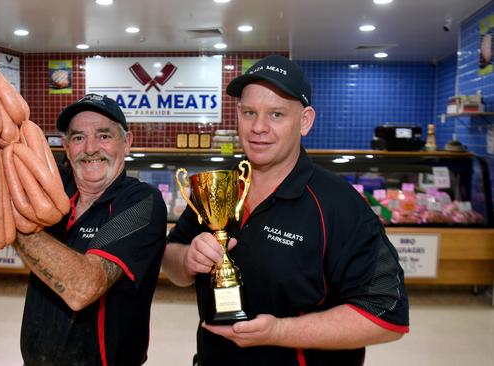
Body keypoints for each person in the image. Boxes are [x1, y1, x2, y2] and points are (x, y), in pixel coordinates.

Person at [0, 2, 168, 365]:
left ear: (126, 143)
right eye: (78, 138)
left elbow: (85, 287)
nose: (91, 149)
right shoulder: (53, 181)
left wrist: (4, 212)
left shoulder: (141, 204)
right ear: (65, 146)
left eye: (104, 136)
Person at [162, 55, 409, 365]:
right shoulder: (219, 186)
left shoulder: (340, 204)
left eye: (276, 114)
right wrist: (186, 260)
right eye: (249, 113)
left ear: (305, 121)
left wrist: (279, 331)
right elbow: (170, 258)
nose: (258, 128)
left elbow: (386, 312)